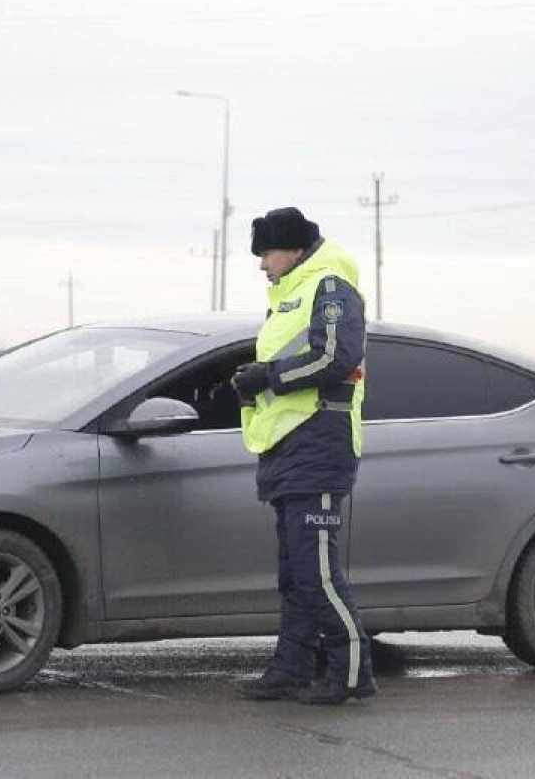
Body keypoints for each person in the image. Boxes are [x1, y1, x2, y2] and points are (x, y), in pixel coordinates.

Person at [231, 206, 376, 705]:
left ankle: (352, 672)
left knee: (318, 573)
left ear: (292, 248)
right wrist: (252, 380)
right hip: (287, 444)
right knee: (294, 573)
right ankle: (290, 669)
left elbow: (337, 357)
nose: (261, 264)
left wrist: (267, 376)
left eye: (265, 253)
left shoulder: (330, 285)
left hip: (320, 440)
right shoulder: (288, 294)